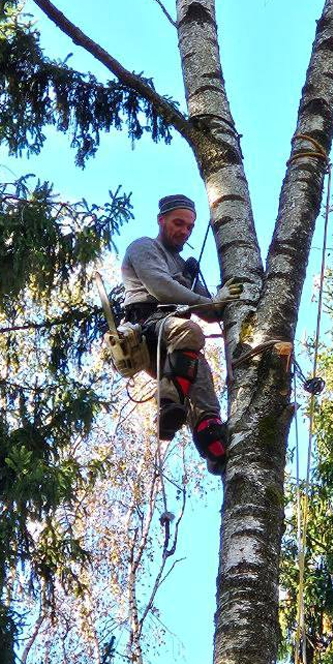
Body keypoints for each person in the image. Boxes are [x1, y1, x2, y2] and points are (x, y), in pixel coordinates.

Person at [121, 194, 242, 474]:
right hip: (149, 327)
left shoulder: (185, 266)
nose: (184, 232)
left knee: (202, 387)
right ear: (161, 220)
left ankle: (214, 447)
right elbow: (160, 286)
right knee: (189, 330)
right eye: (178, 223)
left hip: (177, 345)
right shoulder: (143, 247)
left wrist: (219, 299)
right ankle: (168, 404)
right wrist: (208, 302)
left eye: (190, 227)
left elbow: (212, 313)